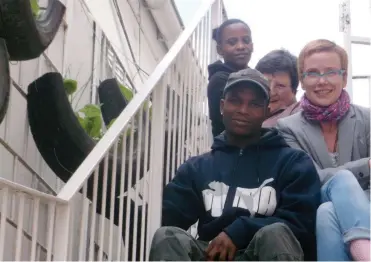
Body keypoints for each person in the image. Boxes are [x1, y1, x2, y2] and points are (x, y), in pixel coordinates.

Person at [149, 68, 321, 261]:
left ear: (267, 111)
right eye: (235, 101)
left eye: (254, 104)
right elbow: (166, 218)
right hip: (212, 254)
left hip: (262, 254)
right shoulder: (198, 167)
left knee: (276, 233)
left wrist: (239, 231)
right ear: (222, 106)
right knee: (168, 236)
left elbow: (302, 223)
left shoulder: (293, 162)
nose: (243, 110)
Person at [276, 39, 370, 261]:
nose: (322, 81)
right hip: (313, 202)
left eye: (330, 72)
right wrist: (366, 166)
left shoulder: (367, 119)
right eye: (312, 73)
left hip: (364, 206)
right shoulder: (287, 128)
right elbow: (311, 177)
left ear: (344, 77)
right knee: (340, 185)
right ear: (302, 80)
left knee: (328, 212)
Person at [207, 19, 253, 137]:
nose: (241, 46)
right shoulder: (220, 80)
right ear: (220, 50)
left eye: (246, 40)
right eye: (232, 42)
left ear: (252, 45)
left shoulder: (254, 75)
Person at [255, 49, 301, 127]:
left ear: (294, 91)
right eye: (266, 83)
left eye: (280, 86)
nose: (271, 92)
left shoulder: (302, 115)